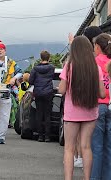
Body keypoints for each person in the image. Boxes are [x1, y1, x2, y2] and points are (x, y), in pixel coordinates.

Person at [59, 36, 105, 180]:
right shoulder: (95, 68)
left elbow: (61, 90)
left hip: (72, 113)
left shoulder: (69, 66)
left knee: (69, 148)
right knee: (86, 147)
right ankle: (87, 178)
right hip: (90, 112)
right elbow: (102, 94)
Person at [0, 43, 23, 144]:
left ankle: (1, 136)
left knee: (4, 115)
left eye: (1, 49)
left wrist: (14, 78)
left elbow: (20, 72)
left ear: (5, 51)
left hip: (5, 90)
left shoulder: (11, 62)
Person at [91, 33, 111, 180]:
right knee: (109, 147)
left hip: (98, 105)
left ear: (97, 47)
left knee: (96, 147)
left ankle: (95, 177)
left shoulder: (94, 62)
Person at [29, 50, 55, 142]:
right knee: (47, 114)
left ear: (40, 58)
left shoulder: (35, 69)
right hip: (48, 92)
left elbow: (31, 81)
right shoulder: (52, 68)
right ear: (49, 58)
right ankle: (47, 136)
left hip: (38, 92)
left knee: (39, 113)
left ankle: (40, 135)